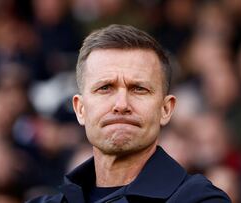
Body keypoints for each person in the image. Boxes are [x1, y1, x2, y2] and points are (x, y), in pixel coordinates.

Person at [26, 24, 230, 203]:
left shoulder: (200, 199)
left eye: (139, 89)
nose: (121, 104)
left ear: (166, 109)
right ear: (80, 109)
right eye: (105, 88)